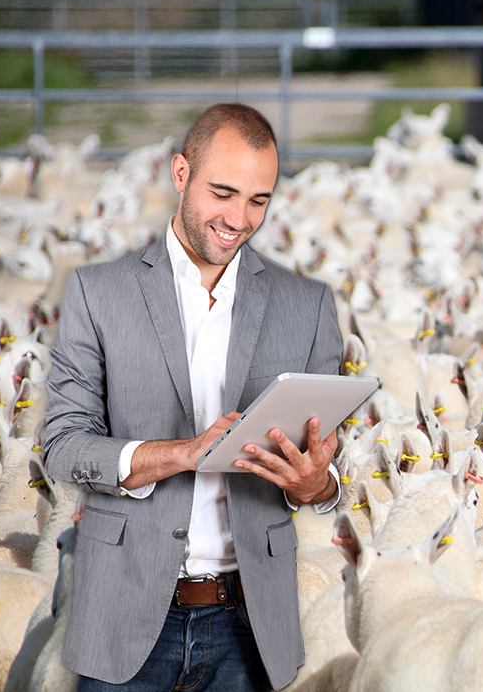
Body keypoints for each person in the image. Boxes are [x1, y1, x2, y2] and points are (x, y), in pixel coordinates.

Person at [43, 103, 344, 692]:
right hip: (125, 620)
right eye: (223, 193)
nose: (239, 218)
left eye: (258, 200)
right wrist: (183, 453)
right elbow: (62, 444)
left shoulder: (306, 306)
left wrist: (319, 487)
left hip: (249, 630)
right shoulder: (99, 294)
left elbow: (335, 457)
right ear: (181, 173)